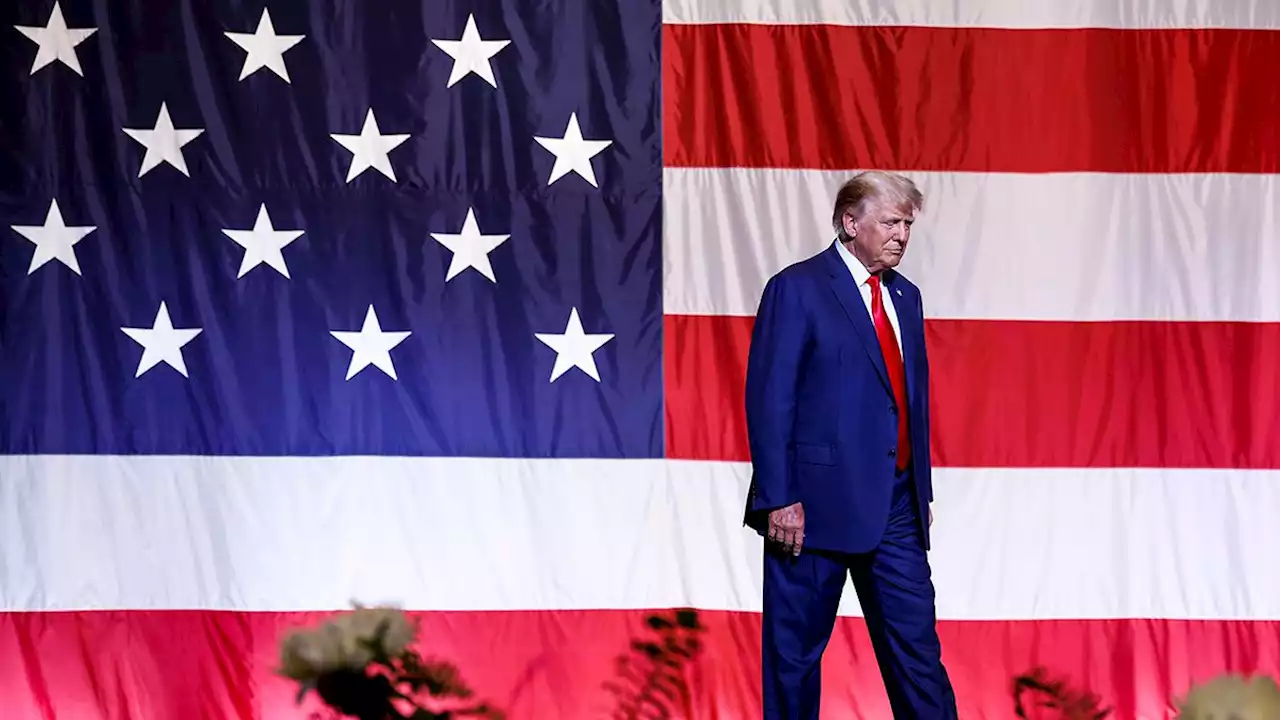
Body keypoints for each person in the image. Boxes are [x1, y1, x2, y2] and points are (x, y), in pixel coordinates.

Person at [742, 171, 957, 719]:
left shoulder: (906, 297)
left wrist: (920, 492)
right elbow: (770, 400)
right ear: (849, 222)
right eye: (890, 221)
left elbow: (908, 403)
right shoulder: (797, 288)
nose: (902, 234)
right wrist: (778, 497)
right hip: (809, 509)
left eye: (908, 223)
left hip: (897, 508)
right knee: (793, 662)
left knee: (918, 656)